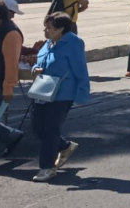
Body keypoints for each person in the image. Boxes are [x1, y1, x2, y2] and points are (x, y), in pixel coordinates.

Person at [30, 12, 90, 181]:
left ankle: (47, 167)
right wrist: (35, 69)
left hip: (63, 94)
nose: (45, 31)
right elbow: (39, 61)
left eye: (49, 28)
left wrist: (82, 93)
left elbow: (81, 70)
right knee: (37, 127)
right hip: (43, 91)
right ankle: (65, 146)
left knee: (50, 130)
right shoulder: (49, 43)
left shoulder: (73, 43)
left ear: (61, 29)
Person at [0, 1, 25, 157]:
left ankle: (12, 136)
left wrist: (8, 88)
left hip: (0, 84)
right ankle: (12, 136)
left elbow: (11, 64)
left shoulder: (11, 34)